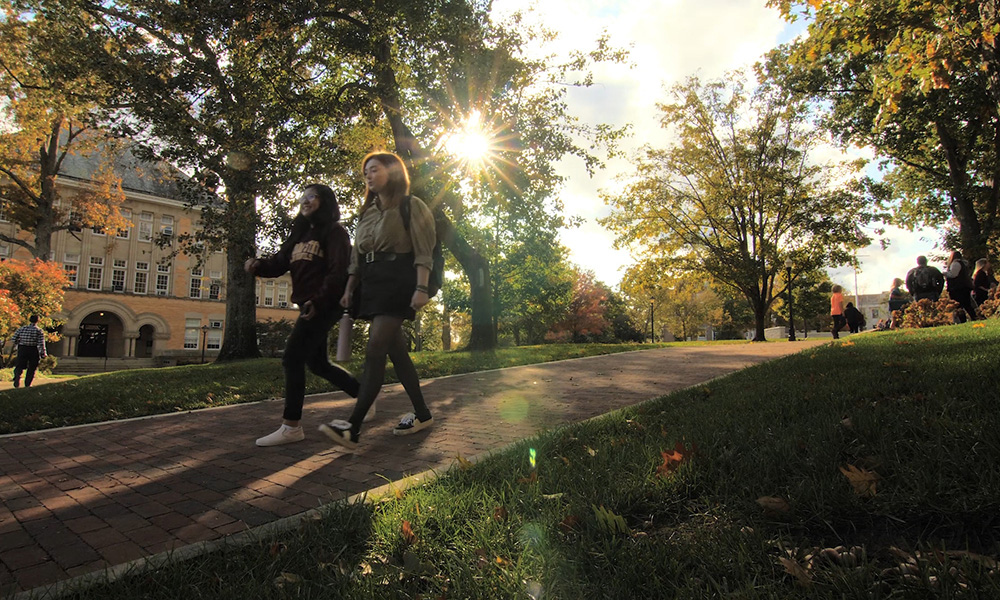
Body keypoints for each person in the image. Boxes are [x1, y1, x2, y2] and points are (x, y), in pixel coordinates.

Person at [319, 151, 436, 451]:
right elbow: (357, 257)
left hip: (400, 281)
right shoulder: (367, 212)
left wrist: (421, 287)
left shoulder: (412, 206)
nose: (368, 176)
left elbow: (425, 251)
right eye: (365, 172)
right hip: (372, 283)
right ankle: (422, 414)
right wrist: (349, 288)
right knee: (396, 351)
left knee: (375, 348)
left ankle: (353, 428)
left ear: (393, 172)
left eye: (374, 170)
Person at [245, 183, 361, 447]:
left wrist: (318, 301)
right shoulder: (299, 233)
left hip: (324, 304)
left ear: (325, 202)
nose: (305, 201)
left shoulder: (334, 232)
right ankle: (364, 394)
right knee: (318, 364)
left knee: (292, 358)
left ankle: (292, 426)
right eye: (303, 197)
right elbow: (280, 262)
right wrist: (258, 266)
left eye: (312, 196)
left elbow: (337, 272)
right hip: (309, 304)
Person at [11, 315, 47, 388]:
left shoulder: (22, 329)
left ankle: (17, 376)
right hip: (33, 349)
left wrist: (19, 343)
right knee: (32, 367)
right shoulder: (39, 331)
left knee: (19, 365)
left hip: (22, 348)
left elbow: (14, 339)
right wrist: (43, 353)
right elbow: (41, 343)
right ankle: (27, 384)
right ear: (37, 321)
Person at [944, 250, 978, 323]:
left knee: (958, 305)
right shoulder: (963, 264)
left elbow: (953, 274)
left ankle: (962, 320)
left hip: (957, 288)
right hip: (964, 287)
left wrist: (945, 274)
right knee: (967, 304)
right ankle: (974, 317)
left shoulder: (955, 264)